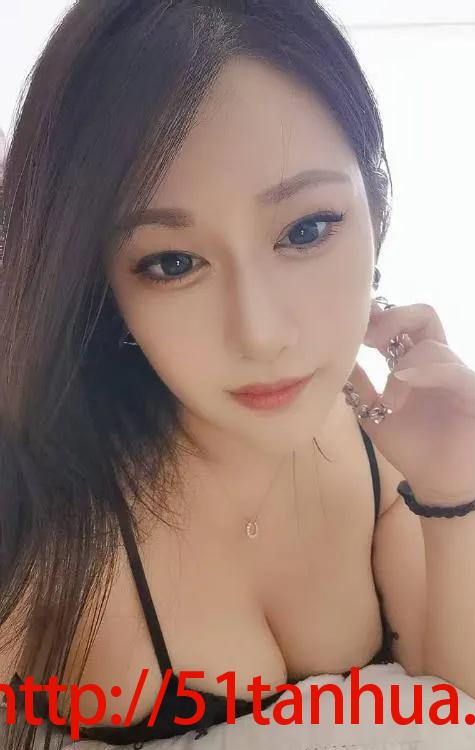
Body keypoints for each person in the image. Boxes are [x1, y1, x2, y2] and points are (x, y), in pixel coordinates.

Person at [0, 1, 426, 748]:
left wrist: (457, 489)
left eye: (306, 229)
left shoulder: (381, 440)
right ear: (100, 284)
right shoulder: (41, 513)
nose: (260, 335)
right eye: (172, 262)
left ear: (378, 205)